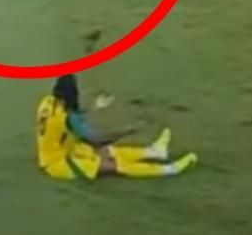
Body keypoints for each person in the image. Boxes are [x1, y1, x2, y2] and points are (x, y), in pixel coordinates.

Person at [35, 75, 196, 181]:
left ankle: (154, 152)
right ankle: (169, 169)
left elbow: (70, 119)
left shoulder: (48, 102)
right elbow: (97, 140)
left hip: (66, 148)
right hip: (57, 162)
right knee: (112, 166)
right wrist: (127, 131)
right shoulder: (68, 117)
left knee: (109, 152)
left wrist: (95, 107)